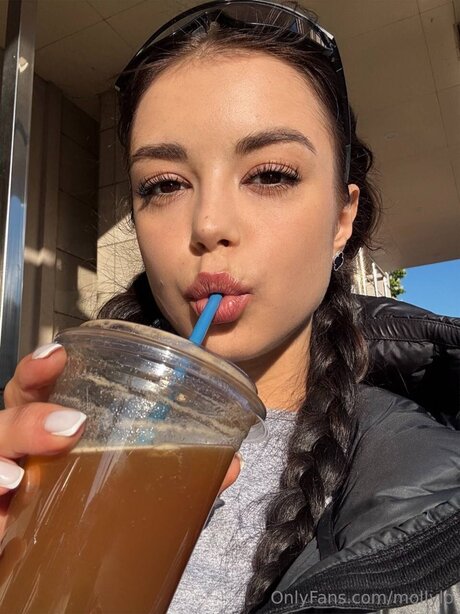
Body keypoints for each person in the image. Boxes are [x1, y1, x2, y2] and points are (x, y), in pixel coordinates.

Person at [1, 1, 459, 613]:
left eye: (270, 175)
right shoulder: (71, 429)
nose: (208, 225)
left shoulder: (431, 492)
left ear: (342, 219)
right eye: (164, 184)